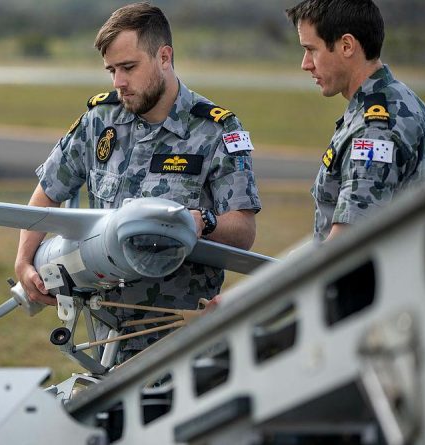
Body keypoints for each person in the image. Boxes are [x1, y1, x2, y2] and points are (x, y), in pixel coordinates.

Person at [15, 2, 261, 363]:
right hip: (103, 335)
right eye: (112, 70)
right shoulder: (101, 121)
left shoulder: (216, 131)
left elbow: (244, 229)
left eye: (128, 67)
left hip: (180, 338)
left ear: (164, 57)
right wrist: (23, 263)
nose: (118, 82)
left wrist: (199, 223)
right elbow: (47, 193)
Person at [286, 0, 425, 242]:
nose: (305, 64)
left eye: (312, 49)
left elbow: (349, 243)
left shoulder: (374, 129)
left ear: (346, 45)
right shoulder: (399, 98)